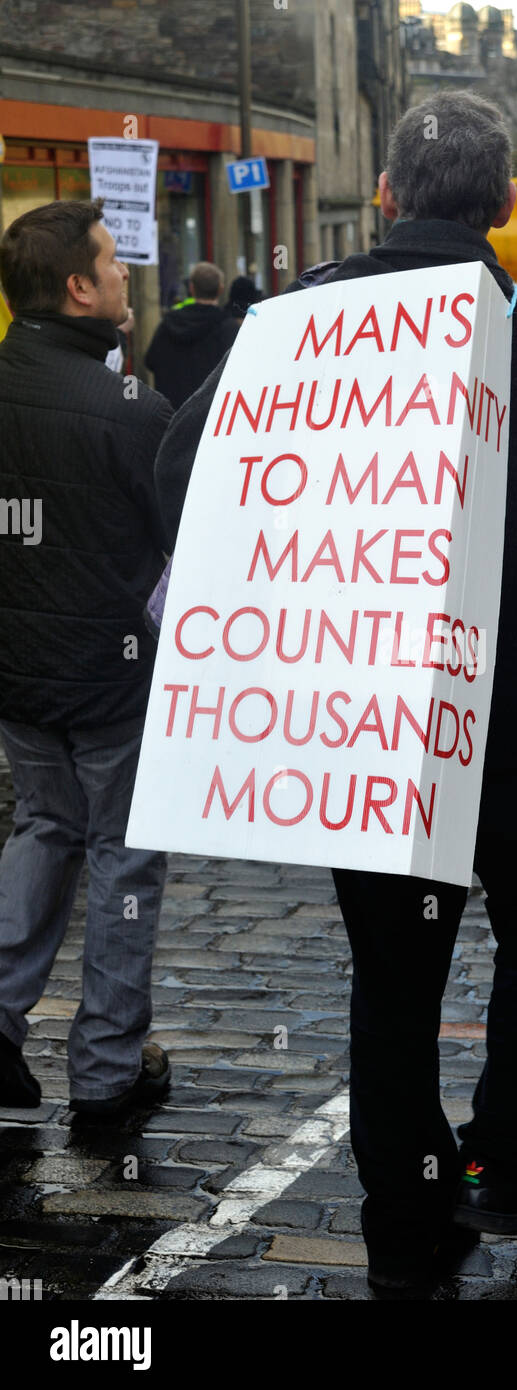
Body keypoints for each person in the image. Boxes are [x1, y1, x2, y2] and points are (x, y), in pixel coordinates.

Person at [151, 90, 517, 1295]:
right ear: (507, 205)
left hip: (377, 728)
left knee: (397, 981)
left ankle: (410, 1215)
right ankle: (510, 1164)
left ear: (391, 197)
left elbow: (178, 468)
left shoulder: (303, 318)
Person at [0, 199, 173, 1119]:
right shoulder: (128, 410)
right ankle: (106, 1071)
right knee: (120, 855)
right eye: (112, 264)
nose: (124, 278)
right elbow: (189, 532)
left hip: (21, 676)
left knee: (44, 827)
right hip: (113, 682)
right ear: (76, 287)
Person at [144, 260, 239, 408]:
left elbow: (150, 360)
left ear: (191, 288)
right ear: (221, 289)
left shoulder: (168, 324)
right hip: (211, 415)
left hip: (172, 413)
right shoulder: (230, 328)